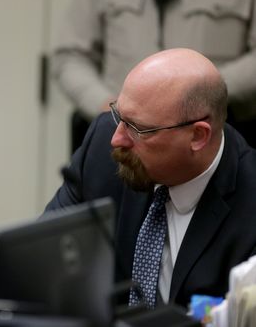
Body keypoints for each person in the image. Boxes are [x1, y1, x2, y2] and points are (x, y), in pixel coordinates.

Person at [43, 48, 256, 309]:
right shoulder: (102, 150)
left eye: (137, 128)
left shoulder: (250, 201)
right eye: (119, 116)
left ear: (198, 136)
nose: (116, 139)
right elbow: (37, 261)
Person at [53, 0, 256, 153]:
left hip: (215, 137)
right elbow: (70, 57)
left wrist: (202, 91)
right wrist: (106, 107)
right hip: (120, 140)